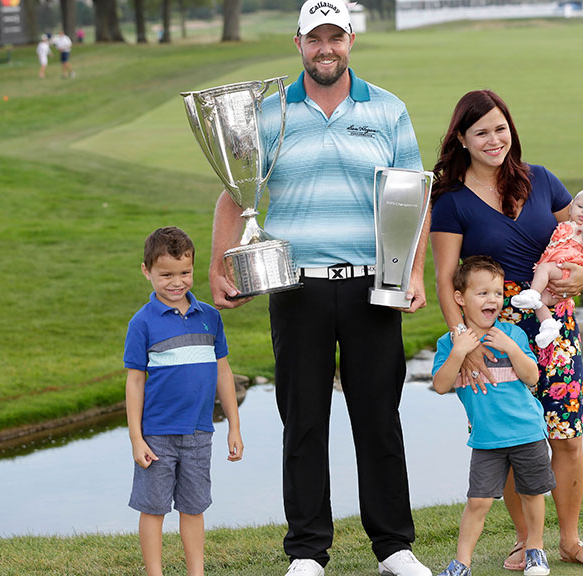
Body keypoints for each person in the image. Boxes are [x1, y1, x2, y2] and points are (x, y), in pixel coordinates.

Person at [208, 1, 432, 575]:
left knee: (378, 417)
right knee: (303, 420)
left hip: (370, 283)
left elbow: (413, 194)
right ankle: (308, 552)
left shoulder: (387, 109)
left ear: (351, 39)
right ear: (298, 42)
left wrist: (413, 271)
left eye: (335, 37)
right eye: (315, 39)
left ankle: (394, 547)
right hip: (296, 288)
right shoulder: (268, 113)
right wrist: (218, 268)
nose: (325, 48)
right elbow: (237, 194)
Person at [429, 90, 583, 571]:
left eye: (500, 128)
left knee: (567, 436)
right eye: (481, 132)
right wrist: (462, 345)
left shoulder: (541, 180)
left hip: (554, 325)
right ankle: (525, 540)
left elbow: (577, 246)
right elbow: (446, 278)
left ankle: (570, 541)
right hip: (493, 330)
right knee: (509, 438)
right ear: (462, 140)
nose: (494, 140)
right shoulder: (450, 200)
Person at [124, 226, 244, 576]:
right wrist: (136, 438)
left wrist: (234, 427)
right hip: (156, 435)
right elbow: (134, 382)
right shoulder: (141, 323)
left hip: (199, 433)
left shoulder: (210, 318)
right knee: (154, 508)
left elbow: (223, 373)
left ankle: (197, 572)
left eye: (185, 273)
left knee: (193, 508)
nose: (177, 282)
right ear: (146, 271)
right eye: (166, 274)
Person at [431, 256, 555, 576]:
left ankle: (536, 550)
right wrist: (459, 352)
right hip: (486, 439)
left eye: (498, 293)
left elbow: (532, 378)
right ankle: (462, 563)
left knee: (532, 494)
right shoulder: (449, 343)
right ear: (460, 298)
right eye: (483, 293)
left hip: (527, 431)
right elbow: (442, 386)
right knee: (478, 502)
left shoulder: (512, 334)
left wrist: (512, 349)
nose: (493, 300)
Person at [510, 189, 583, 349]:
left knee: (544, 268)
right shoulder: (565, 225)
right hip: (556, 278)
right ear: (570, 208)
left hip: (567, 269)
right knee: (541, 302)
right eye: (580, 206)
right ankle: (549, 326)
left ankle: (533, 292)